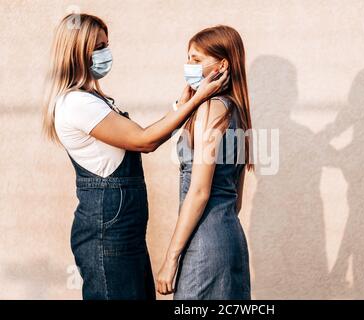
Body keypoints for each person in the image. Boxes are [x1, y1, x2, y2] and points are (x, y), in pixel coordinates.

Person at [42, 13, 228, 300]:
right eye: (99, 47)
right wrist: (196, 101)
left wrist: (183, 102)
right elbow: (145, 140)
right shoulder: (76, 103)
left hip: (123, 231)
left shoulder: (94, 100)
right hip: (106, 233)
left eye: (107, 45)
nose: (106, 53)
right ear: (78, 52)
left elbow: (146, 136)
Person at [156, 25, 252, 300]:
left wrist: (171, 259)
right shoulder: (238, 112)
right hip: (230, 238)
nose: (188, 66)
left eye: (197, 60)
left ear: (222, 65)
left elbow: (199, 191)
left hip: (205, 244)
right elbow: (236, 199)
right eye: (188, 58)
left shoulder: (212, 109)